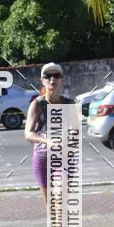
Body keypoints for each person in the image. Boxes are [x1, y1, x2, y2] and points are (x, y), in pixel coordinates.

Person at [25, 62, 75, 204]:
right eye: (48, 76)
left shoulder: (69, 104)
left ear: (61, 79)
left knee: (60, 199)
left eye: (56, 76)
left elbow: (75, 132)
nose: (52, 79)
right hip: (42, 158)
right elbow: (28, 134)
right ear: (42, 80)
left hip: (64, 158)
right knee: (50, 206)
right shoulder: (37, 104)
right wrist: (47, 140)